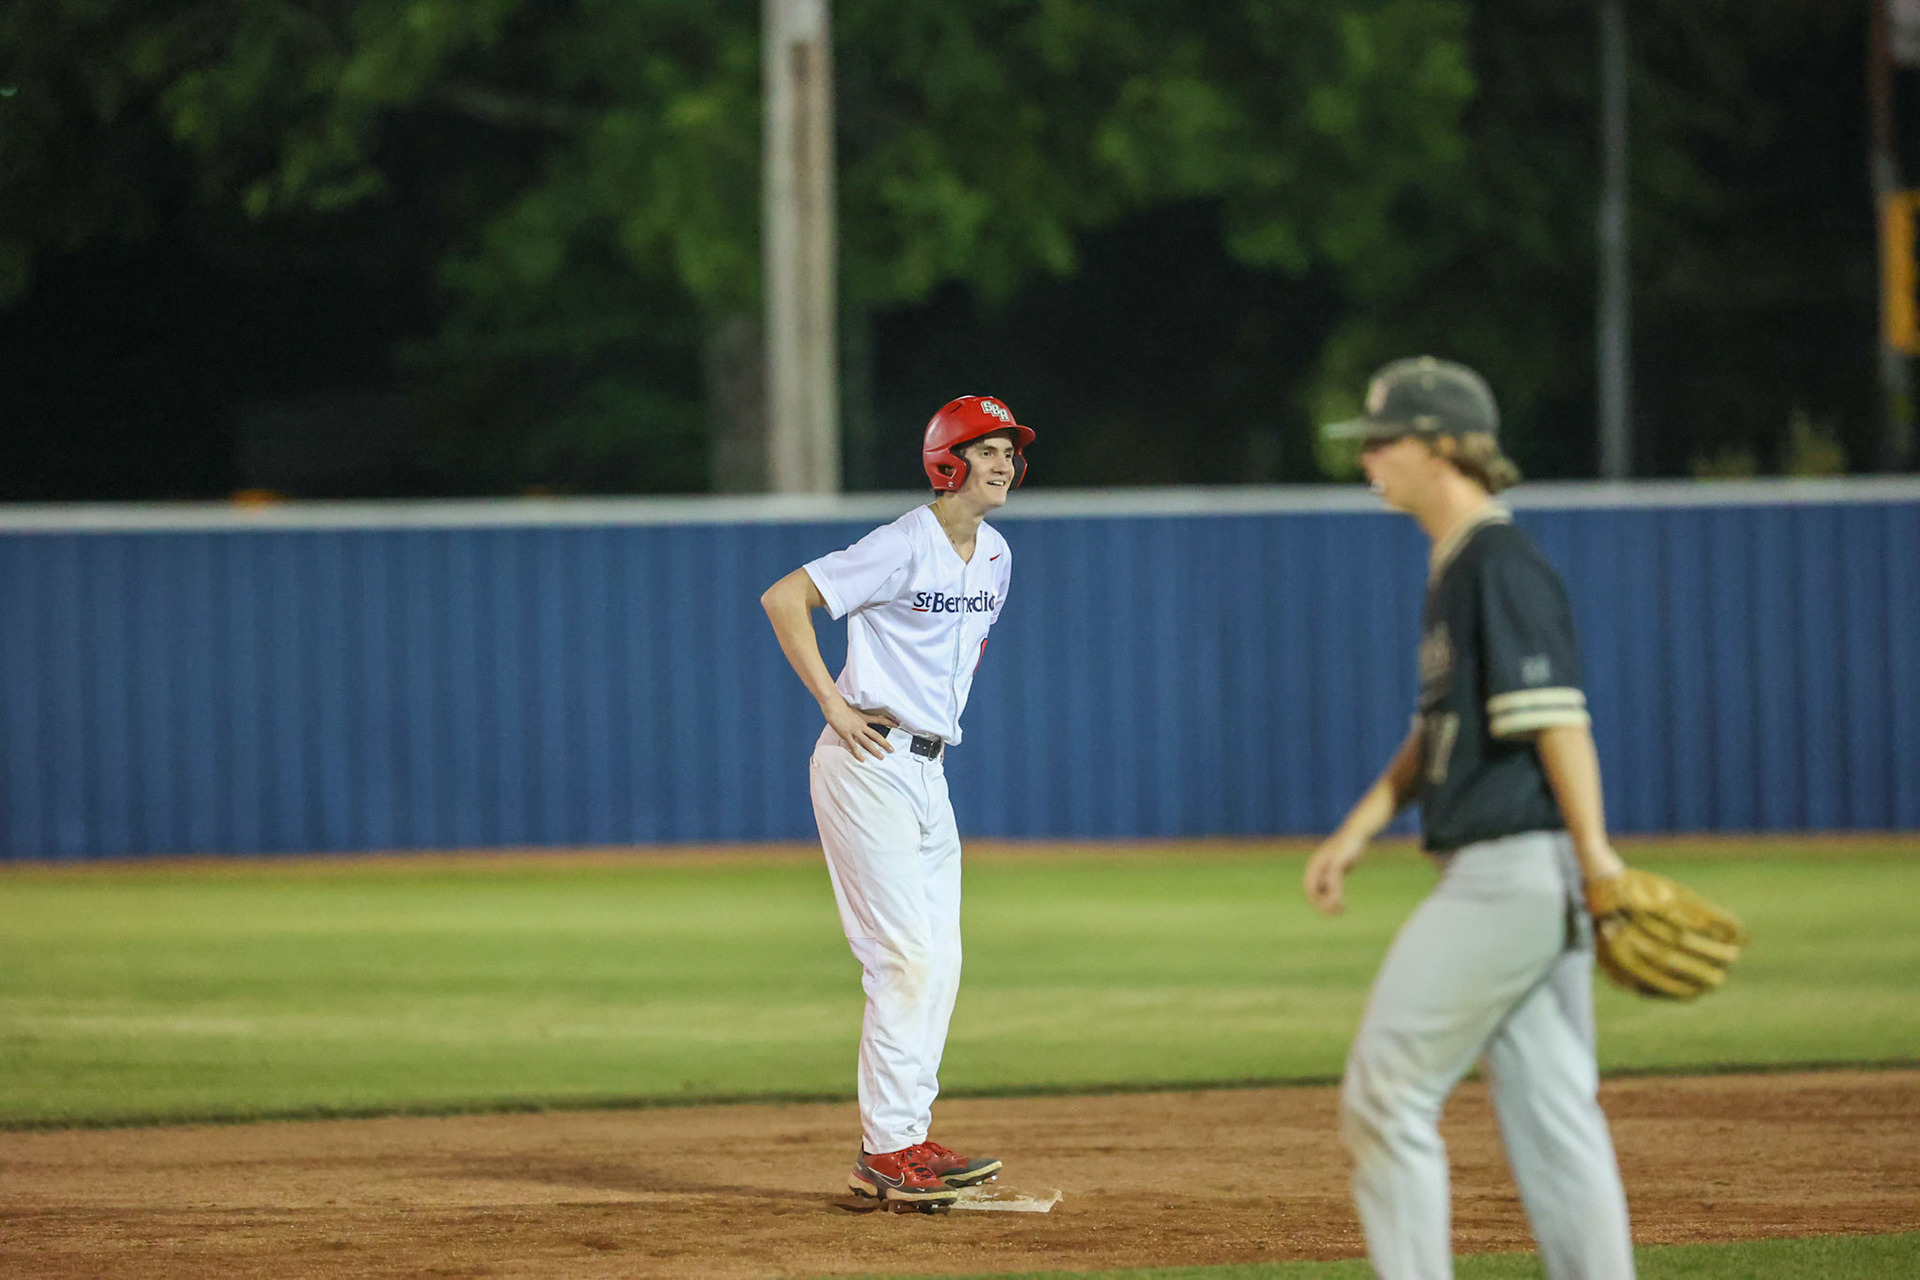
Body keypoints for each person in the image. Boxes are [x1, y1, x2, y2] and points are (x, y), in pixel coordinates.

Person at [1303, 357, 1637, 1279]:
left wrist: (1599, 859)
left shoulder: (1498, 560)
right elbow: (1436, 734)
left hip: (1513, 873)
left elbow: (1560, 718)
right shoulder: (1457, 564)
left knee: (1385, 1092)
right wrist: (1360, 826)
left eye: (1384, 439)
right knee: (1555, 1112)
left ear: (1442, 445)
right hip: (1515, 871)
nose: (1368, 456)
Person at [759, 395, 1034, 1211]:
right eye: (983, 449)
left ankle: (906, 1139)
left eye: (1009, 451)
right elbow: (784, 599)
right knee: (903, 958)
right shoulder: (901, 544)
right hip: (866, 760)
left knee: (939, 960)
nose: (1002, 463)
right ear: (946, 462)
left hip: (928, 770)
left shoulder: (997, 556)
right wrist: (834, 706)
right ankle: (888, 1153)